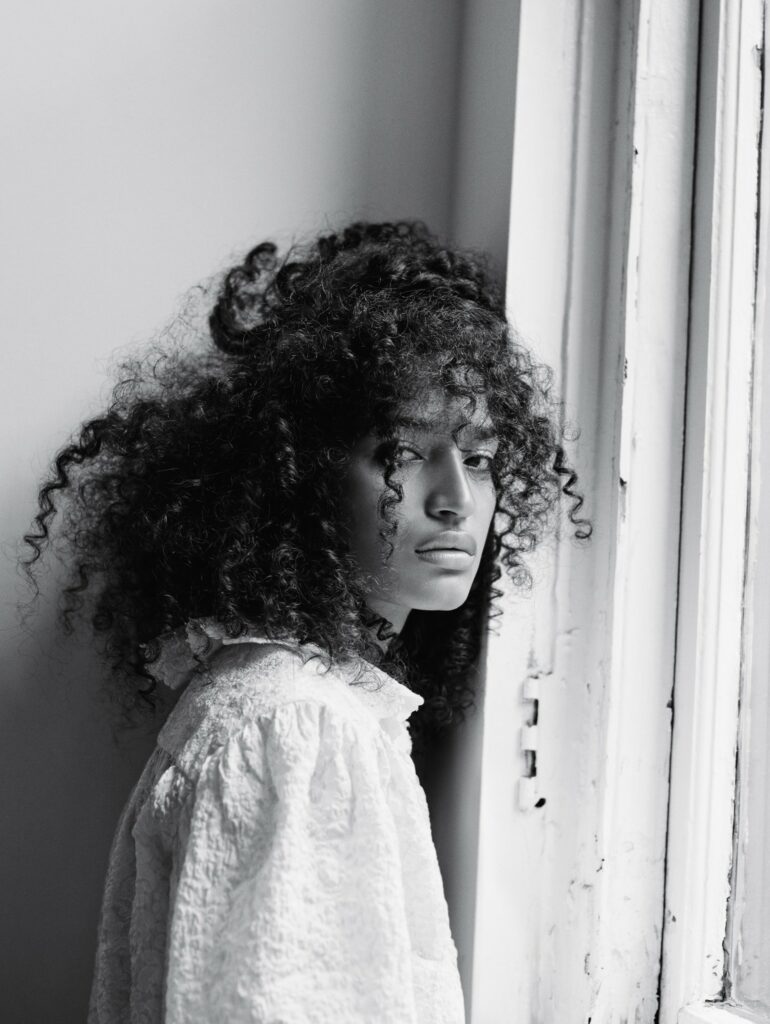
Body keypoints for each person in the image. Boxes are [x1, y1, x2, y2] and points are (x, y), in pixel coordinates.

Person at [21, 220, 589, 1023]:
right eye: (401, 451)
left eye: (483, 458)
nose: (457, 499)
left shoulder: (278, 699)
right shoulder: (297, 729)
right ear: (303, 476)